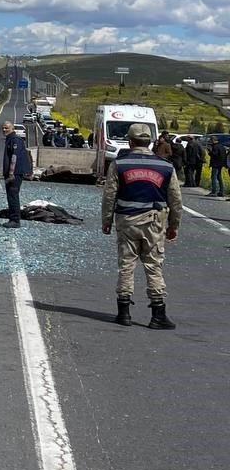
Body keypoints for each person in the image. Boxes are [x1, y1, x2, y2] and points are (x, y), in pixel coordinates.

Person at [101, 123, 182, 328]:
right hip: (155, 222)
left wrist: (107, 220)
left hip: (127, 221)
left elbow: (109, 195)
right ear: (152, 141)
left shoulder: (119, 164)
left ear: (130, 141)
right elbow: (175, 200)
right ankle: (158, 314)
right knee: (154, 266)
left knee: (126, 266)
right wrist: (174, 225)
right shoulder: (165, 166)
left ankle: (124, 312)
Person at [1, 120, 31, 228]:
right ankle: (13, 218)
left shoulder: (15, 140)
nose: (4, 130)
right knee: (11, 195)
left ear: (12, 129)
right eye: (3, 128)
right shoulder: (10, 139)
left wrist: (11, 173)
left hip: (15, 173)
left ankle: (15, 220)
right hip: (13, 173)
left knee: (13, 195)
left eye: (7, 128)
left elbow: (14, 157)